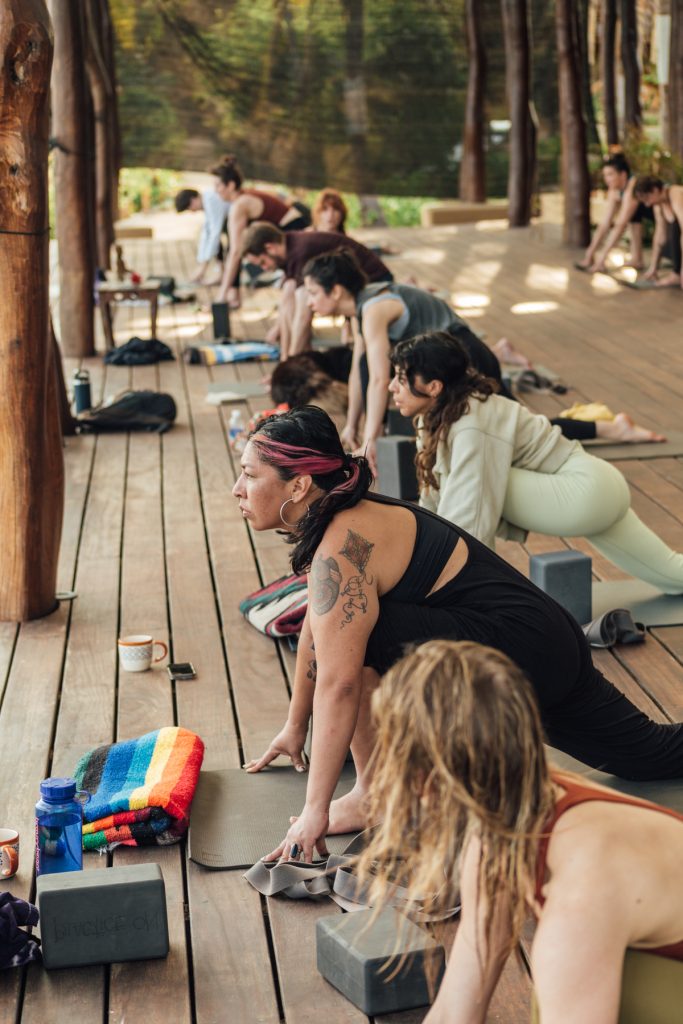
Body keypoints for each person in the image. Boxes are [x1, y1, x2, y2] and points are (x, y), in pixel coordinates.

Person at [235, 406, 683, 864]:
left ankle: (373, 793)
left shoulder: (343, 544)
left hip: (527, 652)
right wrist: (295, 724)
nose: (238, 489)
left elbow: (341, 680)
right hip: (536, 641)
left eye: (250, 475)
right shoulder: (338, 521)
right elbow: (321, 618)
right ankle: (374, 790)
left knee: (365, 638)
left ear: (299, 485)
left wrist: (315, 812)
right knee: (649, 756)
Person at [354, 640, 683, 1024]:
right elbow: (457, 1008)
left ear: (424, 782)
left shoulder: (580, 898)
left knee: (563, 980)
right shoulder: (504, 821)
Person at [390, 331, 681, 591]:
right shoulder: (433, 418)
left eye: (401, 379)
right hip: (598, 487)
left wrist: (437, 588)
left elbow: (468, 519)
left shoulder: (472, 426)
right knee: (673, 575)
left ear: (434, 387)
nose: (392, 387)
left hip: (583, 492)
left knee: (477, 487)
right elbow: (435, 500)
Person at [241, 223, 392, 361]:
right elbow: (287, 304)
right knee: (289, 290)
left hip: (375, 281)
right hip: (351, 282)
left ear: (270, 248)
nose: (264, 268)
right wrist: (284, 358)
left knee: (302, 297)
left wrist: (289, 367)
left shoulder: (301, 250)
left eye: (262, 262)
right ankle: (290, 359)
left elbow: (303, 314)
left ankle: (296, 362)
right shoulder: (289, 244)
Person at [211, 155, 310, 309]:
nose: (215, 190)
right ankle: (233, 296)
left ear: (230, 185)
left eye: (218, 185)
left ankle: (230, 296)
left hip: (295, 229)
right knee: (240, 248)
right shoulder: (244, 195)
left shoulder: (239, 205)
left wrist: (221, 295)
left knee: (239, 251)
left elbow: (236, 252)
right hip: (293, 226)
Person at [577, 154, 653, 273]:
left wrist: (601, 259)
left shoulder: (633, 186)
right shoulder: (614, 189)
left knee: (629, 220)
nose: (607, 179)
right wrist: (590, 253)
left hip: (669, 212)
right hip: (647, 213)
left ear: (623, 175)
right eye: (605, 175)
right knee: (634, 220)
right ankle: (637, 260)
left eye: (610, 174)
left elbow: (620, 225)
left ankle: (637, 260)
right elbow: (605, 223)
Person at [634, 176, 683, 289]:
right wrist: (653, 268)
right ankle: (676, 274)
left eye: (647, 199)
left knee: (676, 230)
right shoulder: (658, 205)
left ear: (655, 190)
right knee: (666, 240)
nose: (647, 204)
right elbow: (660, 237)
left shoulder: (675, 193)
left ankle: (676, 275)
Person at [174, 187, 231, 284]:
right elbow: (206, 234)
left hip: (239, 220)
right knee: (214, 241)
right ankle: (222, 273)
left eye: (189, 208)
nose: (192, 212)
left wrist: (203, 267)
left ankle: (225, 275)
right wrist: (201, 263)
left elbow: (215, 234)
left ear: (193, 200)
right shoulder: (207, 201)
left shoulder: (211, 200)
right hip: (229, 221)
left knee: (226, 245)